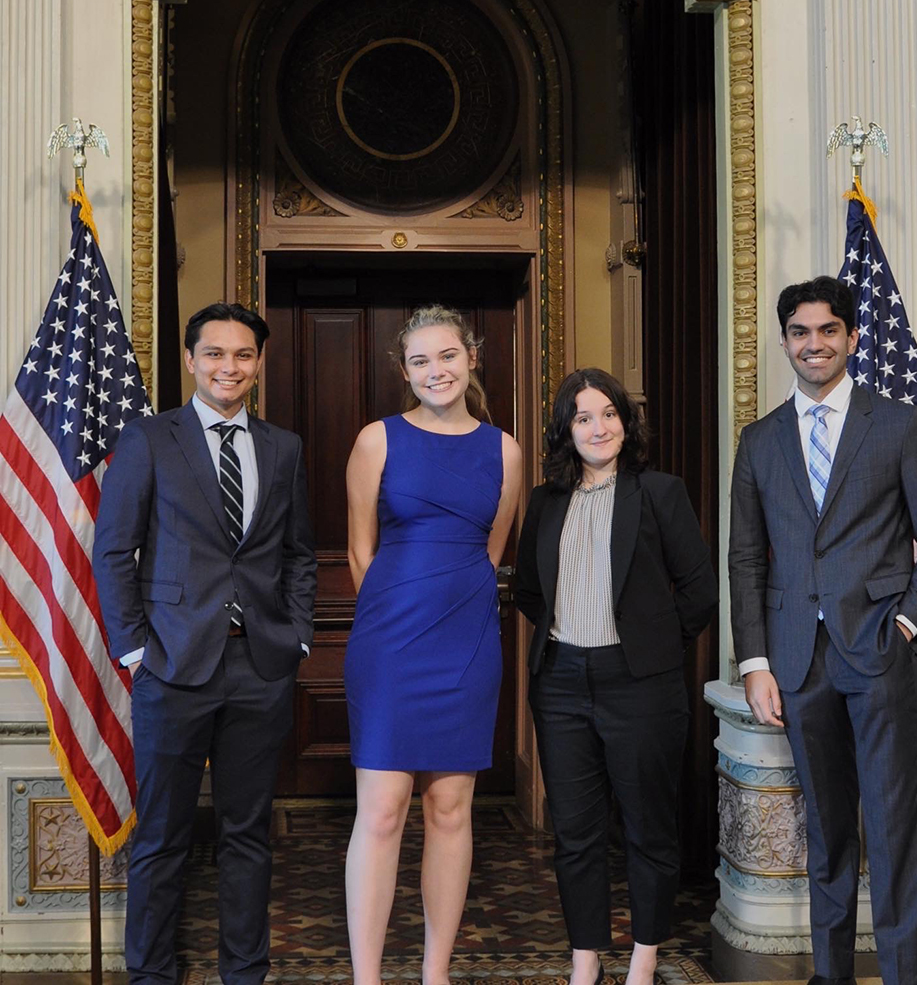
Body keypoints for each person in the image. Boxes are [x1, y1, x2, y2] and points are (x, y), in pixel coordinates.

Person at [92, 302, 317, 985]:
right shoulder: (150, 439)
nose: (229, 366)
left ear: (258, 363)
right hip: (171, 666)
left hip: (260, 666)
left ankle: (244, 973)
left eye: (243, 354)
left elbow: (298, 555)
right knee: (162, 838)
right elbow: (113, 551)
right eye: (215, 353)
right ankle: (151, 975)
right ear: (190, 361)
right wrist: (134, 651)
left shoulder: (284, 448)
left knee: (248, 837)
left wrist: (298, 637)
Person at [729, 275, 917, 985]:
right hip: (796, 661)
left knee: (893, 831)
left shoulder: (900, 425)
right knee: (825, 831)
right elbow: (746, 557)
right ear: (785, 339)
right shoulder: (758, 443)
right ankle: (831, 974)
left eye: (827, 330)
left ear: (852, 337)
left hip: (883, 650)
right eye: (799, 331)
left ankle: (911, 975)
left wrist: (910, 622)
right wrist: (755, 660)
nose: (812, 344)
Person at [515, 368, 718, 985]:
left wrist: (652, 648)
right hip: (560, 683)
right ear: (565, 430)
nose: (597, 427)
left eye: (608, 414)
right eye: (582, 417)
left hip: (642, 684)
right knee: (574, 833)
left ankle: (644, 959)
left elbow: (699, 593)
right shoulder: (546, 501)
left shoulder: (659, 492)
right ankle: (585, 963)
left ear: (626, 424)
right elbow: (528, 589)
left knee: (647, 828)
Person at [343, 304, 522, 985]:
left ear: (470, 358)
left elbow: (490, 549)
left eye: (446, 356)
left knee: (450, 809)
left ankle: (435, 973)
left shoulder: (503, 449)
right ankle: (367, 977)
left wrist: (453, 604)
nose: (435, 370)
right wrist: (396, 616)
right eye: (420, 361)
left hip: (468, 640)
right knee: (383, 810)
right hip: (390, 644)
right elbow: (361, 552)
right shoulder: (376, 440)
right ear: (405, 371)